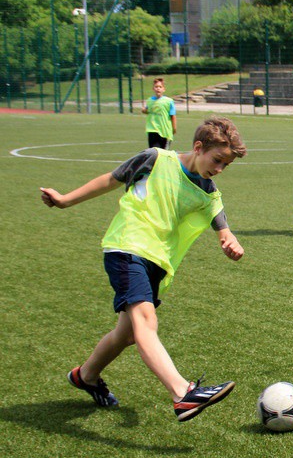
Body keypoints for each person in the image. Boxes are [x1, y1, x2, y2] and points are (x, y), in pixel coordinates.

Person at [39, 116, 247, 422]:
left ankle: (86, 375)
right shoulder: (155, 159)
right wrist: (65, 201)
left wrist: (229, 241)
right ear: (198, 147)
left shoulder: (208, 190)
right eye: (216, 161)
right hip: (127, 248)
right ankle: (182, 393)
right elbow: (111, 179)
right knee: (146, 322)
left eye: (225, 166)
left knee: (127, 334)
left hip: (157, 263)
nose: (218, 169)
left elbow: (221, 224)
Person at [141, 77, 177, 149]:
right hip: (152, 130)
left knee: (163, 153)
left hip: (164, 131)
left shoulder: (168, 101)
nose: (158, 88)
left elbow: (173, 115)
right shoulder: (149, 100)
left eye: (160, 87)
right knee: (154, 152)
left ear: (163, 89)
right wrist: (144, 110)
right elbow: (148, 110)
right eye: (156, 87)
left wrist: (174, 128)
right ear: (153, 89)